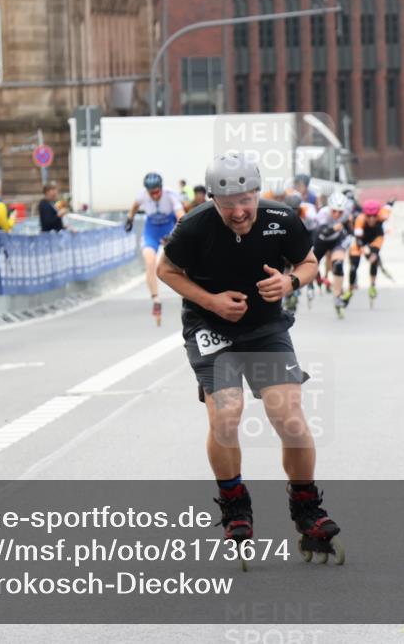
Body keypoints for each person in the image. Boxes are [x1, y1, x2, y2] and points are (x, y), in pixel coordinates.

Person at [156, 152, 343, 563]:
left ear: (258, 193)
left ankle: (306, 507)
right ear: (213, 200)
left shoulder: (282, 217)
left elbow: (308, 263)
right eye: (228, 205)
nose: (240, 212)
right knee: (226, 414)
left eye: (247, 201)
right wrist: (212, 301)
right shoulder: (194, 225)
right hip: (210, 328)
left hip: (265, 327)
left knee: (290, 418)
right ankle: (235, 504)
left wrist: (290, 281)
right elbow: (165, 270)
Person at [125, 172, 185, 324]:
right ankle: (156, 298)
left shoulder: (170, 194)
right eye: (152, 193)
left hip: (169, 229)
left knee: (177, 263)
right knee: (150, 262)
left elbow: (181, 217)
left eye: (157, 192)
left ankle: (185, 294)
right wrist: (129, 219)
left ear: (161, 188)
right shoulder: (143, 195)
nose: (155, 196)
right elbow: (134, 206)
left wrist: (175, 235)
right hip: (151, 230)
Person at [313, 192, 355, 318]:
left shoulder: (347, 213)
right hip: (321, 240)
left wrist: (349, 226)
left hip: (336, 240)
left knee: (338, 264)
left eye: (340, 212)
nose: (337, 214)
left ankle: (337, 296)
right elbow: (323, 232)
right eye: (334, 211)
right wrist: (335, 228)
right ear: (330, 208)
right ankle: (316, 281)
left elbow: (350, 231)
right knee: (312, 266)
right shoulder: (323, 213)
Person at [346, 199, 391, 305]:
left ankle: (372, 285)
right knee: (353, 268)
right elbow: (358, 240)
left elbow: (388, 207)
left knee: (374, 260)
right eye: (368, 216)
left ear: (378, 214)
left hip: (374, 240)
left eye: (374, 216)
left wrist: (374, 253)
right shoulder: (360, 219)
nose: (371, 219)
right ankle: (350, 290)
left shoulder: (383, 216)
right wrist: (364, 250)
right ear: (365, 214)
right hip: (360, 243)